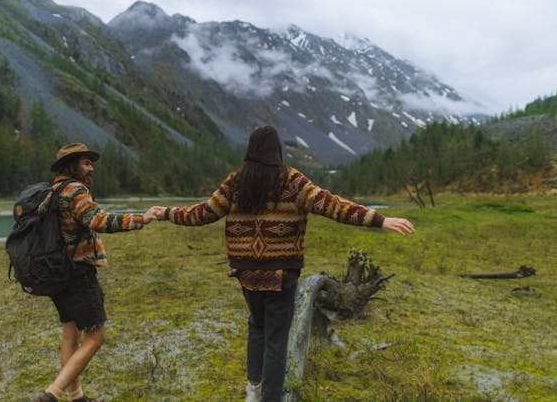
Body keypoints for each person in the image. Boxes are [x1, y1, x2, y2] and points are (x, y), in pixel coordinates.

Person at [152, 126, 414, 402]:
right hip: (281, 273)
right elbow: (333, 205)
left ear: (250, 150)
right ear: (277, 150)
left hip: (246, 272)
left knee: (257, 326)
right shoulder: (292, 181)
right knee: (276, 339)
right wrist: (379, 220)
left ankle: (253, 392)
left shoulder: (236, 181)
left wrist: (168, 213)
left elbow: (202, 213)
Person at [34, 143, 158, 402]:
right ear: (73, 165)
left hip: (58, 273)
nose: (91, 168)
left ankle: (76, 397)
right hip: (78, 273)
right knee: (96, 336)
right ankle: (50, 395)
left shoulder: (53, 190)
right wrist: (140, 219)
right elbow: (98, 220)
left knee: (70, 333)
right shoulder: (76, 190)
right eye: (86, 163)